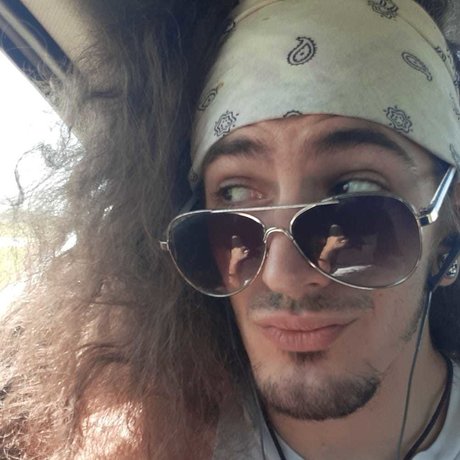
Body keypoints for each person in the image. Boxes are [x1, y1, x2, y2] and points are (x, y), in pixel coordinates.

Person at [1, 0, 460, 458]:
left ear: (450, 216)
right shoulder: (142, 442)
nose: (282, 276)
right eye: (236, 193)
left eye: (355, 191)